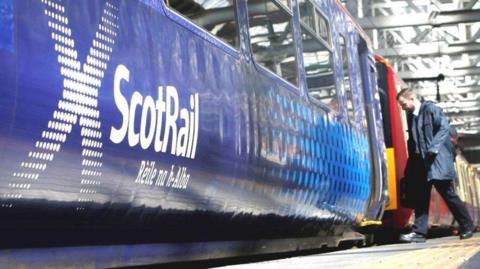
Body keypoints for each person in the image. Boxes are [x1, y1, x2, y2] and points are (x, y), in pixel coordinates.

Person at [396, 88, 475, 243]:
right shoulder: (411, 116)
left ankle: (467, 225)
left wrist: (434, 147)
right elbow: (413, 141)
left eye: (404, 104)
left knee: (448, 194)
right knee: (421, 197)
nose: (403, 107)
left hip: (436, 161)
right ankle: (419, 232)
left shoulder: (430, 109)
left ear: (412, 98)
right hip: (421, 164)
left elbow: (444, 127)